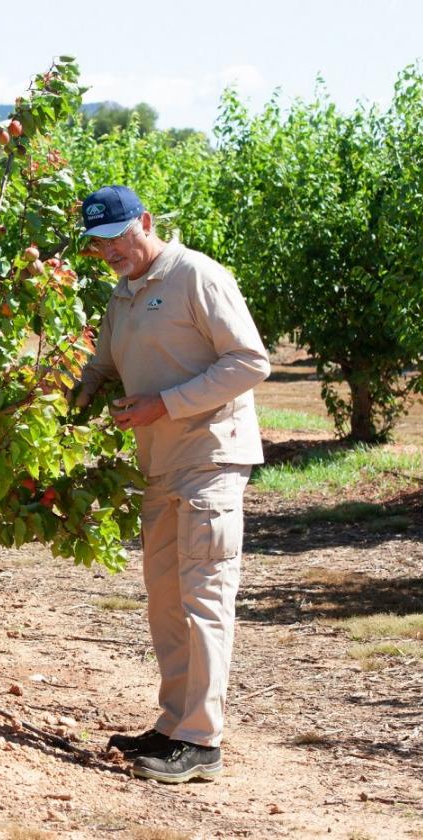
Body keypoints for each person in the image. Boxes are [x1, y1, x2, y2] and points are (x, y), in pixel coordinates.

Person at [73, 185, 270, 784]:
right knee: (164, 600)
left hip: (210, 458)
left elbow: (250, 362)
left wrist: (168, 405)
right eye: (97, 243)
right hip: (157, 466)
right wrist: (66, 396)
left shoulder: (198, 277)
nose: (109, 251)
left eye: (116, 237)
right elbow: (103, 364)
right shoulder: (124, 293)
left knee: (204, 596)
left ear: (146, 222)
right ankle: (171, 726)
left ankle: (202, 740)